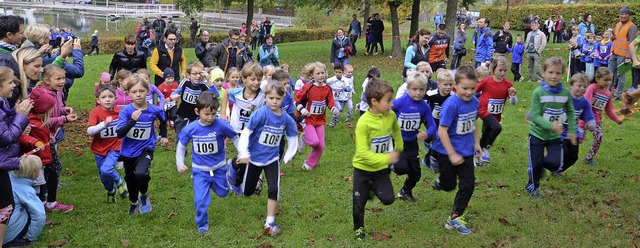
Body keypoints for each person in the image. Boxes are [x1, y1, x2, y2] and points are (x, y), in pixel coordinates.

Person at [235, 80, 298, 236]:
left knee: (274, 189)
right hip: (254, 158)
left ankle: (270, 221)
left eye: (278, 98)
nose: (274, 101)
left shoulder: (285, 119)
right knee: (247, 192)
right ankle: (238, 169)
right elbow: (246, 133)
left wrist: (290, 153)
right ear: (265, 97)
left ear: (283, 98)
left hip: (272, 159)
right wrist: (243, 153)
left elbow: (293, 136)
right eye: (271, 98)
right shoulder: (260, 114)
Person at [175, 91, 238, 234]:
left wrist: (242, 153)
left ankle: (230, 174)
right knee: (200, 201)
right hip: (200, 170)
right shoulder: (191, 128)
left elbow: (235, 137)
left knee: (223, 193)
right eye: (206, 114)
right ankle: (202, 225)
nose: (210, 118)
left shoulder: (221, 125)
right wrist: (180, 163)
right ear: (197, 111)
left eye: (213, 114)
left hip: (219, 168)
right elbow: (181, 145)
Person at [430, 66, 481, 235]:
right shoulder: (451, 105)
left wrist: (477, 143)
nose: (469, 92)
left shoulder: (474, 102)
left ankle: (455, 217)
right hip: (445, 152)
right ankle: (441, 181)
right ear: (455, 86)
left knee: (468, 183)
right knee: (449, 185)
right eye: (465, 88)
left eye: (472, 88)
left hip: (465, 152)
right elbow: (442, 131)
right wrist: (451, 153)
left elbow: (474, 124)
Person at [351, 78, 402, 240]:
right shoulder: (363, 123)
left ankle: (372, 188)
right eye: (388, 101)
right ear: (374, 102)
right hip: (363, 169)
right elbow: (363, 153)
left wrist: (398, 148)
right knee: (359, 202)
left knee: (388, 199)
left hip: (380, 170)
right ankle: (358, 228)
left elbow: (396, 131)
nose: (392, 104)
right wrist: (387, 158)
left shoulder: (390, 115)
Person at [116, 74, 168, 215]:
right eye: (134, 92)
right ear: (129, 93)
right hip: (128, 151)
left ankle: (144, 194)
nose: (138, 95)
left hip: (146, 147)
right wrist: (132, 121)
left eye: (141, 91)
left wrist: (164, 136)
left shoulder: (154, 110)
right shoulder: (126, 111)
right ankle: (134, 203)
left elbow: (163, 119)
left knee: (141, 174)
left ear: (148, 91)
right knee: (131, 180)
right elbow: (120, 133)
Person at [526, 57, 576, 200]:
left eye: (558, 73)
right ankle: (533, 188)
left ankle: (540, 165)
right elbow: (535, 116)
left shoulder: (565, 93)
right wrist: (551, 125)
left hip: (554, 137)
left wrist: (572, 130)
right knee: (535, 165)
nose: (554, 76)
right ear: (544, 72)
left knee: (555, 164)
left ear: (563, 73)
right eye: (551, 72)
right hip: (537, 134)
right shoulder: (538, 93)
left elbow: (571, 112)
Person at [391, 71, 436, 202]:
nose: (418, 93)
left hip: (412, 143)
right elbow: (385, 110)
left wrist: (426, 133)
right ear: (408, 88)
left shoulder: (424, 107)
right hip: (398, 142)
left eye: (421, 90)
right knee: (401, 168)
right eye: (414, 89)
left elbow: (432, 125)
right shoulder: (400, 102)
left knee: (416, 174)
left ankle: (405, 191)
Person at [223, 63, 266, 195]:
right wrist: (224, 113)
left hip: (253, 131)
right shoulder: (236, 93)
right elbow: (226, 93)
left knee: (249, 157)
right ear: (244, 79)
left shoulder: (262, 95)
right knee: (246, 155)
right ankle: (237, 179)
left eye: (259, 79)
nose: (256, 83)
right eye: (253, 79)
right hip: (237, 131)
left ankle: (234, 169)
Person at [0, 66, 32, 244]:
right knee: (4, 206)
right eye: (10, 82)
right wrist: (20, 117)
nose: (14, 86)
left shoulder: (2, 103)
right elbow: (6, 137)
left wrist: (16, 114)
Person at [87, 84, 128, 203]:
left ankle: (120, 182)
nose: (107, 99)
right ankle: (111, 190)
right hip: (99, 149)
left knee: (106, 169)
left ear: (116, 99)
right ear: (98, 100)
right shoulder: (95, 113)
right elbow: (90, 131)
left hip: (115, 147)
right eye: (104, 97)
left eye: (110, 96)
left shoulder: (120, 112)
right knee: (104, 177)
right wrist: (104, 124)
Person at [295, 62, 340, 170]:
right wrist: (304, 110)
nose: (321, 75)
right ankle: (304, 137)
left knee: (321, 146)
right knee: (315, 142)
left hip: (320, 120)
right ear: (312, 76)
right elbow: (296, 101)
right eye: (318, 73)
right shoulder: (308, 87)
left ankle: (309, 164)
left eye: (322, 73)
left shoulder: (328, 88)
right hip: (308, 119)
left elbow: (330, 101)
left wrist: (334, 109)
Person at [474, 58, 518, 167]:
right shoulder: (486, 81)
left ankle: (477, 154)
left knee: (486, 134)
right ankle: (486, 148)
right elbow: (473, 90)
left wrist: (513, 96)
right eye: (500, 70)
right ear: (493, 69)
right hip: (483, 110)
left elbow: (513, 103)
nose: (502, 73)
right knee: (497, 128)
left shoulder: (508, 84)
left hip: (496, 114)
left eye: (504, 70)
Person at [555, 73, 595, 176]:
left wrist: (591, 123)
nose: (582, 88)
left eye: (585, 86)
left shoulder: (584, 102)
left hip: (574, 134)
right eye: (579, 85)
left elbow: (588, 115)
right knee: (563, 153)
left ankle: (558, 169)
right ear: (571, 85)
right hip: (559, 133)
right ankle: (556, 168)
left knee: (573, 157)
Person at [169, 61, 219, 140]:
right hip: (183, 114)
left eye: (200, 73)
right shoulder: (185, 82)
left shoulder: (204, 84)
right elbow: (176, 91)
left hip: (197, 116)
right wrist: (173, 95)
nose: (198, 76)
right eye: (194, 74)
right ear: (189, 75)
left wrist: (209, 80)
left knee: (197, 138)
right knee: (180, 137)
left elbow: (216, 95)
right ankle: (181, 151)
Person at [583, 67, 623, 166]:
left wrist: (617, 119)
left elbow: (609, 109)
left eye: (610, 80)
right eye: (605, 80)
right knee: (576, 138)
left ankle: (589, 158)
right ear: (597, 79)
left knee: (599, 138)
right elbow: (586, 102)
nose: (608, 82)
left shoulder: (608, 93)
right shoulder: (592, 88)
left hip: (596, 121)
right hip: (584, 118)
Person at [3, 155, 45, 247]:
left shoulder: (5, 180)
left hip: (2, 225)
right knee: (31, 209)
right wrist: (30, 237)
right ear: (34, 174)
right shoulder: (26, 190)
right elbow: (39, 215)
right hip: (7, 235)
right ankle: (16, 239)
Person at [422, 69, 454, 171]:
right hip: (432, 123)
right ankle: (432, 160)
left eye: (450, 84)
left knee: (439, 142)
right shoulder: (431, 94)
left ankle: (428, 159)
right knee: (437, 141)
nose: (448, 87)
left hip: (445, 124)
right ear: (438, 84)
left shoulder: (453, 96)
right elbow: (422, 101)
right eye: (445, 85)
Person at [610, 7, 638, 100]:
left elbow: (632, 43)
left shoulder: (632, 27)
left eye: (625, 14)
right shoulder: (617, 24)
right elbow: (615, 37)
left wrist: (629, 57)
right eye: (622, 14)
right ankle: (607, 92)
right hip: (614, 52)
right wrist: (612, 38)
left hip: (624, 55)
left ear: (628, 15)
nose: (623, 16)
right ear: (619, 14)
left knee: (620, 75)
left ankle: (618, 95)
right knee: (609, 72)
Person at [327, 63, 354, 128]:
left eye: (339, 72)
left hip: (341, 98)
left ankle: (333, 122)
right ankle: (332, 123)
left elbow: (349, 88)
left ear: (342, 72)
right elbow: (325, 82)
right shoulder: (332, 79)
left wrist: (346, 89)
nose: (338, 74)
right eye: (336, 72)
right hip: (334, 98)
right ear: (334, 72)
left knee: (339, 111)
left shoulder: (345, 80)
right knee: (338, 109)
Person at [0, 15, 25, 83]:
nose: (24, 35)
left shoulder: (12, 50)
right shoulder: (4, 59)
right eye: (21, 33)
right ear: (9, 35)